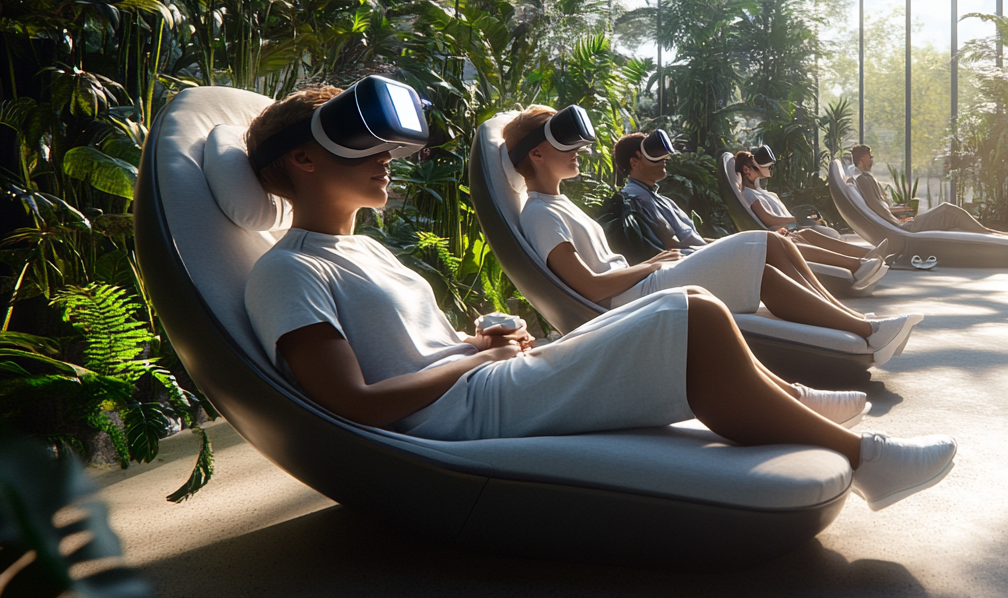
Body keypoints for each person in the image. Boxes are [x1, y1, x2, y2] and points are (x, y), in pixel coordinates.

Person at [242, 86, 957, 512]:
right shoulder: (287, 272)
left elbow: (412, 350)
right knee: (690, 310)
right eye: (368, 151)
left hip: (485, 382)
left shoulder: (362, 250)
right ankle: (868, 462)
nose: (388, 163)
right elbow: (354, 403)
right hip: (468, 415)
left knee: (691, 306)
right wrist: (471, 361)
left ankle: (810, 405)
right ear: (303, 159)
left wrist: (480, 339)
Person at [510, 106, 918, 350]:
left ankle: (856, 323)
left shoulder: (558, 204)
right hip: (637, 295)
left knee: (768, 262)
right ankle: (864, 327)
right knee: (762, 246)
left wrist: (653, 265)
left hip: (646, 282)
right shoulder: (540, 215)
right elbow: (591, 288)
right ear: (538, 153)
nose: (581, 152)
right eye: (571, 147)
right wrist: (650, 265)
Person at [618, 134, 886, 292]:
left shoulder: (658, 197)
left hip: (699, 252)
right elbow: (673, 247)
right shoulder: (637, 199)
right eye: (655, 154)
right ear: (634, 161)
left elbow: (692, 239)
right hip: (692, 262)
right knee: (774, 241)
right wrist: (726, 246)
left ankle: (860, 265)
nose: (665, 158)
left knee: (781, 240)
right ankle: (857, 265)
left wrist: (721, 243)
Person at [733, 148, 892, 270]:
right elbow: (767, 219)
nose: (770, 168)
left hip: (789, 227)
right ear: (747, 170)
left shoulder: (764, 193)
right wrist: (796, 221)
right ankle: (862, 259)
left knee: (815, 230)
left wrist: (800, 220)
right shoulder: (748, 194)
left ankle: (867, 256)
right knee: (809, 232)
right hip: (782, 229)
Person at [849, 145, 1008, 236]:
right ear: (863, 160)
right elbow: (878, 210)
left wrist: (902, 213)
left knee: (950, 217)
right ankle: (990, 233)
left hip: (901, 224)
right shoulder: (864, 180)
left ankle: (989, 232)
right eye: (870, 157)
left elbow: (879, 209)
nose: (872, 160)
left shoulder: (865, 179)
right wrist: (902, 215)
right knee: (946, 209)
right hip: (902, 228)